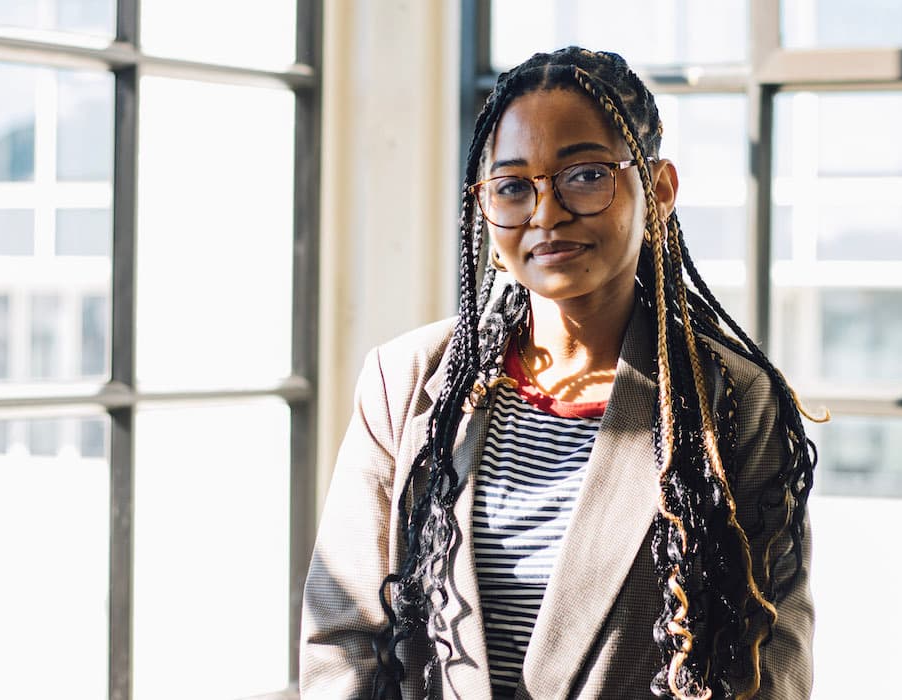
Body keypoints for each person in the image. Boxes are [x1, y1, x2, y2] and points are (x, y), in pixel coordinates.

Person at [301, 46, 820, 700]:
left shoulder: (734, 404)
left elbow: (768, 668)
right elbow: (344, 640)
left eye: (585, 175)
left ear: (659, 192)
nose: (546, 213)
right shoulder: (403, 384)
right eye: (513, 186)